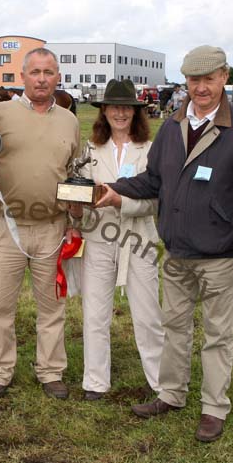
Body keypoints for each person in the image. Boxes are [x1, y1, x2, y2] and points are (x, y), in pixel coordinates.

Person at [100, 45, 233, 442]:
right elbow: (152, 181)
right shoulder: (173, 126)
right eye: (194, 80)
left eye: (209, 78)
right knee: (174, 327)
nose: (201, 87)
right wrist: (115, 190)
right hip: (177, 254)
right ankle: (172, 394)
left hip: (222, 257)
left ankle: (214, 408)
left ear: (224, 77)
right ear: (186, 82)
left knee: (217, 335)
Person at [0, 48, 81, 400]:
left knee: (52, 307)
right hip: (5, 228)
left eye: (48, 72)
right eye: (35, 72)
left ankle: (51, 372)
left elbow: (74, 172)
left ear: (57, 76)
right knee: (0, 306)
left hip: (52, 228)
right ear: (23, 76)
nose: (42, 79)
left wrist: (76, 217)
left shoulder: (70, 121)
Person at [70, 79, 164, 401]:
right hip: (98, 239)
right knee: (94, 314)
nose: (120, 113)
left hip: (139, 241)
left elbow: (156, 201)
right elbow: (78, 193)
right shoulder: (90, 150)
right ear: (104, 111)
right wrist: (74, 208)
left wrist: (120, 202)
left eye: (127, 108)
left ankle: (161, 384)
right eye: (114, 107)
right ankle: (95, 381)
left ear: (136, 112)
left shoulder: (151, 150)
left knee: (147, 315)